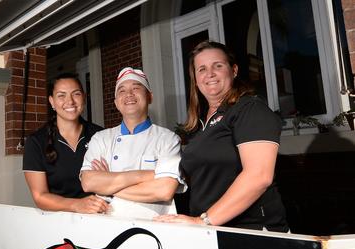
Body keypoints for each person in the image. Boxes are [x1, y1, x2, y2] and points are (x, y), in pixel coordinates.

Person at [155, 40, 288, 231]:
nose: (209, 74)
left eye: (218, 65)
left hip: (250, 231)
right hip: (210, 231)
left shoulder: (250, 109)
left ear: (233, 70)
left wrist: (204, 221)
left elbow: (259, 176)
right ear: (195, 78)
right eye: (201, 69)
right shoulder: (201, 124)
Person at [80, 67, 184, 219]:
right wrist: (148, 175)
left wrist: (108, 183)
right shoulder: (101, 138)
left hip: (153, 224)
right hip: (106, 221)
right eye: (121, 91)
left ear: (150, 97)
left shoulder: (168, 139)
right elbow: (88, 183)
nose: (129, 94)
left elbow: (164, 190)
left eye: (136, 88)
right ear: (116, 103)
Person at [23, 73, 109, 214]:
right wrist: (77, 205)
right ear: (52, 101)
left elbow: (112, 183)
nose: (70, 101)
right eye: (61, 95)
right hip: (58, 222)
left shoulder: (101, 135)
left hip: (100, 216)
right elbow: (40, 197)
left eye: (76, 94)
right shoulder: (36, 142)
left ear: (84, 97)